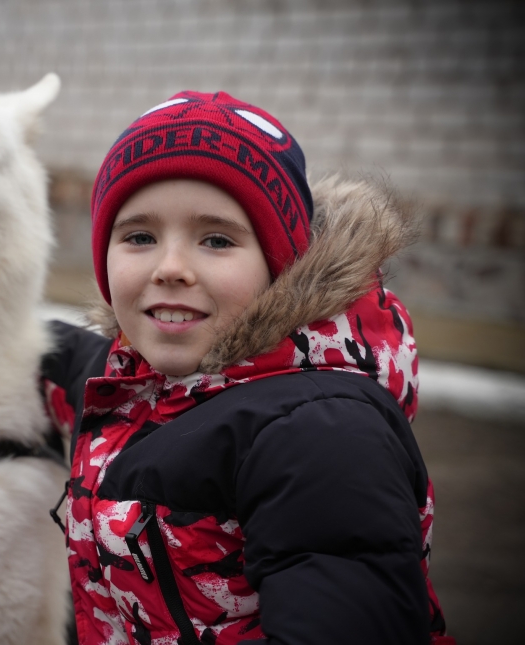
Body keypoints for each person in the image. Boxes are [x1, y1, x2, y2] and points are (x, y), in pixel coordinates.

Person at [41, 91, 454, 645]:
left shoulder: (317, 434)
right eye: (139, 236)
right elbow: (60, 354)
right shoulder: (141, 381)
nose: (171, 267)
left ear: (279, 263)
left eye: (216, 239)